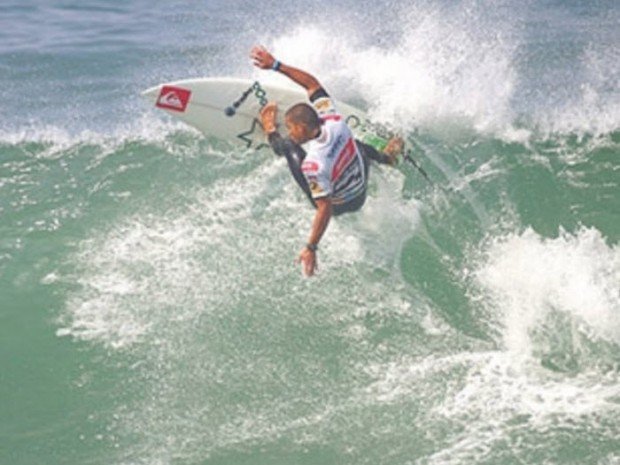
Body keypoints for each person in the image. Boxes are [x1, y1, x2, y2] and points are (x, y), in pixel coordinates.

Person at [250, 45, 403, 277]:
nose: (291, 132)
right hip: (360, 189)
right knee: (355, 145)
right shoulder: (333, 120)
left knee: (289, 148)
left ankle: (269, 129)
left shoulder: (314, 163)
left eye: (291, 128)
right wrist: (276, 65)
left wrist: (311, 247)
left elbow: (325, 208)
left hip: (342, 204)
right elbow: (312, 84)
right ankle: (387, 158)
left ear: (302, 127)